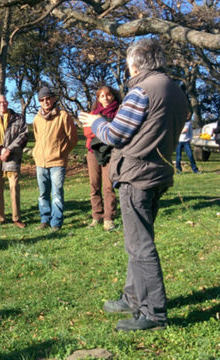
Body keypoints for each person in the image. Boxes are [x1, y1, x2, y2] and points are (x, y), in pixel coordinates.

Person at [79, 38, 188, 331]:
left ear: (136, 63)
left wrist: (94, 122)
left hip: (137, 175)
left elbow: (116, 134)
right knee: (137, 240)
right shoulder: (176, 90)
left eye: (128, 64)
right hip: (158, 173)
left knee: (140, 246)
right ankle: (132, 296)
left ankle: (153, 313)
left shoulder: (142, 90)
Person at [32, 86, 78, 231]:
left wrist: (61, 152)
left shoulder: (63, 116)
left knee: (56, 193)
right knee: (42, 193)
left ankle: (56, 222)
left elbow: (73, 139)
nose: (45, 102)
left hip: (57, 162)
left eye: (48, 98)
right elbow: (37, 138)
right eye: (42, 99)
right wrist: (36, 153)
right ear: (39, 101)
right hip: (40, 162)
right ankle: (44, 219)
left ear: (53, 99)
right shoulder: (37, 118)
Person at [0, 95, 29, 228]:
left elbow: (24, 136)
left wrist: (9, 149)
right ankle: (0, 218)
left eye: (4, 101)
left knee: (14, 186)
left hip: (12, 157)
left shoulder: (18, 119)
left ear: (7, 103)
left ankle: (16, 218)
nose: (2, 104)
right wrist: (0, 149)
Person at [83, 86, 120, 231]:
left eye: (108, 95)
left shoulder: (119, 112)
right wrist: (106, 128)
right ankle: (96, 216)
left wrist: (98, 126)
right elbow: (87, 131)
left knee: (108, 185)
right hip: (93, 152)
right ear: (98, 99)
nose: (105, 98)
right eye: (101, 96)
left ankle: (109, 218)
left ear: (113, 96)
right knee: (94, 185)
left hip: (111, 152)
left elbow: (117, 131)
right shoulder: (93, 113)